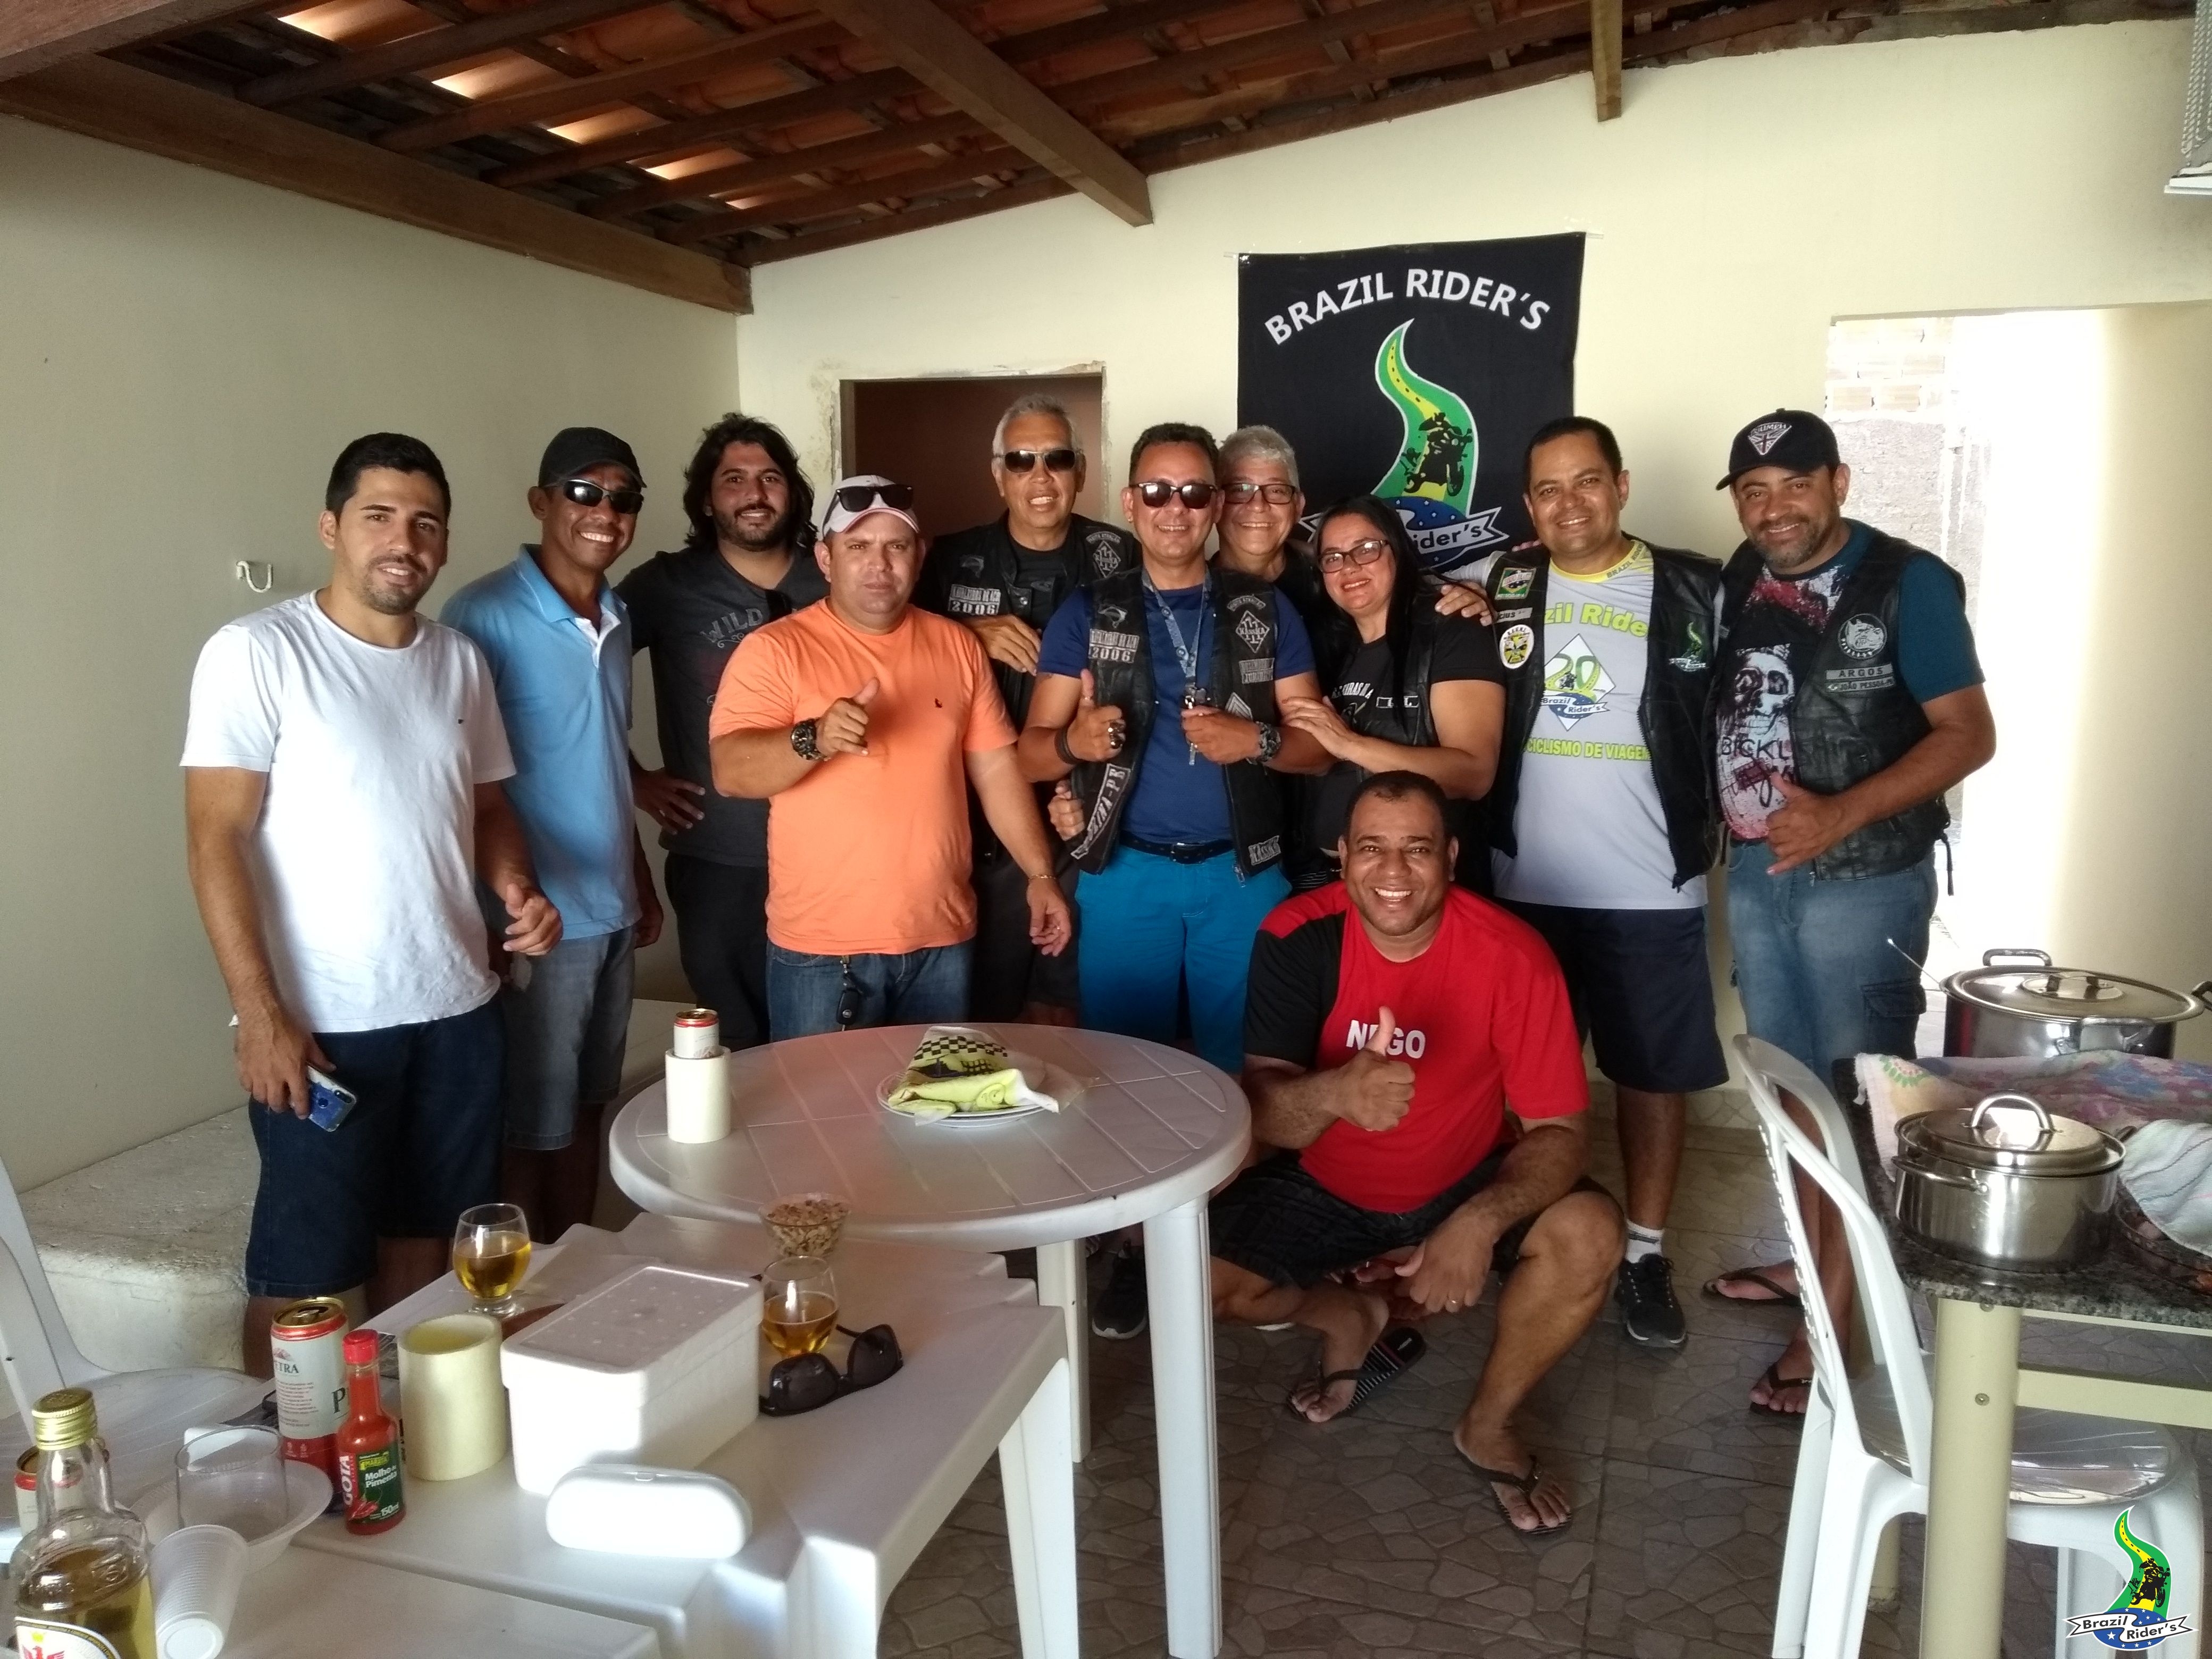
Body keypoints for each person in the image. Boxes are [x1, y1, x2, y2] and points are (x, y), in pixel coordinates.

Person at [183, 433, 561, 1376]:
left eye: (426, 523)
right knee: (303, 1281)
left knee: (430, 1256)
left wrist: (515, 887)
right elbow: (216, 838)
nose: (405, 541)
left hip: (459, 1012)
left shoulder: (459, 661)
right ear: (331, 527)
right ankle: (283, 1447)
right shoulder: (258, 653)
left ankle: (407, 1425)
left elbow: (485, 808)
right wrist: (260, 1015)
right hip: (326, 1030)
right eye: (379, 516)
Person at [1210, 772, 1623, 1537]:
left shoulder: (1513, 955)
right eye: (1372, 848)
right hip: (1324, 1183)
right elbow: (1264, 1113)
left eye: (1417, 849)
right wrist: (1336, 1093)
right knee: (1195, 1285)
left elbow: (1562, 1134)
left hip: (1462, 1177)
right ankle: (1351, 1315)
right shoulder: (1297, 935)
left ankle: (1487, 1426)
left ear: (1451, 858)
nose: (1393, 871)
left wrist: (1476, 1222)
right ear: (1341, 856)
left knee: (1591, 1234)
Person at [1706, 409, 1995, 1413]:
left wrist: (1840, 815)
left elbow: (1968, 735)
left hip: (1863, 876)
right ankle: (1814, 1266)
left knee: (1856, 1098)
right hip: (1760, 874)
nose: (1773, 508)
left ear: (1838, 481)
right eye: (1754, 492)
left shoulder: (1909, 584)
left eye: (1795, 484)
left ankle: (1842, 1317)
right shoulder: (1745, 576)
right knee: (1792, 1092)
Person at [1021, 422, 1327, 1338]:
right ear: (1129, 503)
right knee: (1126, 1074)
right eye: (1157, 491)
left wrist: (1255, 739)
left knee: (1250, 1076)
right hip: (1128, 875)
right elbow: (1030, 753)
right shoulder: (1091, 612)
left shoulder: (1264, 611)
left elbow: (1316, 749)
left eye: (1195, 492)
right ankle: (1130, 1251)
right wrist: (1073, 742)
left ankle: (1225, 1249)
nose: (1176, 509)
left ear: (1217, 505)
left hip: (1243, 875)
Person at [1473, 417, 1728, 1350]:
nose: (1569, 503)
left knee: (1651, 1078)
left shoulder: (1697, 586)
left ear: (1621, 485)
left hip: (1650, 885)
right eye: (1548, 489)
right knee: (1523, 1081)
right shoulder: (1502, 583)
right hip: (1525, 883)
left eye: (1586, 482)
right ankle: (1529, 1231)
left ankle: (1646, 1254)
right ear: (1529, 504)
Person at [708, 475, 1071, 1036]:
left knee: (935, 1096)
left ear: (918, 557)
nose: (879, 564)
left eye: (895, 546)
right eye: (858, 546)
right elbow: (730, 772)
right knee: (824, 1097)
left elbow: (996, 769)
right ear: (826, 559)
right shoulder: (775, 650)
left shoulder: (956, 644)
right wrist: (813, 739)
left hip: (942, 942)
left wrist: (1039, 874)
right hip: (824, 952)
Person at [442, 426, 664, 1243]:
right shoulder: (482, 615)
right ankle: (527, 1290)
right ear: (541, 501)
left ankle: (580, 1274)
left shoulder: (618, 614)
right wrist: (489, 911)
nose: (605, 512)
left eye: (623, 498)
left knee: (587, 1108)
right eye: (584, 492)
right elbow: (460, 781)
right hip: (535, 918)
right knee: (530, 1126)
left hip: (609, 907)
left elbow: (603, 755)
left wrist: (639, 876)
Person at [916, 395, 1134, 1023]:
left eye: (1056, 459)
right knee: (980, 1009)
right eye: (1020, 461)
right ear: (998, 474)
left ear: (1080, 472)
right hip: (979, 818)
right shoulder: (948, 560)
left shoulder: (1123, 556)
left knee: (1067, 1007)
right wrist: (967, 632)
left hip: (1087, 813)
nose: (1040, 477)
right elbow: (885, 642)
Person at [618, 415, 826, 1051]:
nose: (753, 493)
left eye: (769, 478)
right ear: (707, 500)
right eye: (733, 479)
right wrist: (633, 778)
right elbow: (575, 680)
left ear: (792, 492)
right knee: (737, 1043)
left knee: (826, 1039)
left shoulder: (833, 577)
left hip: (832, 852)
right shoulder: (666, 586)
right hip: (718, 858)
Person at [1279, 496, 1504, 890]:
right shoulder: (1326, 645)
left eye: (1366, 549)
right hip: (1324, 880)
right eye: (1333, 557)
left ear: (1396, 550)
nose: (1349, 567)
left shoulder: (1452, 630)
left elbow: (1473, 774)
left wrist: (1349, 744)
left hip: (1412, 887)